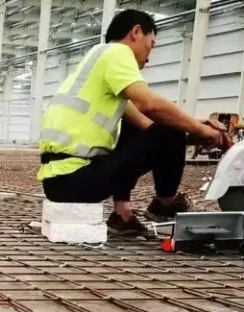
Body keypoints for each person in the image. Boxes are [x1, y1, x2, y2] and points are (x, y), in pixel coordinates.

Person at [37, 9, 231, 234]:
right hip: (76, 179)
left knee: (150, 126)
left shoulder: (96, 59)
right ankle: (165, 203)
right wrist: (200, 129)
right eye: (152, 44)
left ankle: (122, 215)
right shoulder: (118, 53)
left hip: (59, 182)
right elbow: (152, 107)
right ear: (136, 32)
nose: (149, 56)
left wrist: (198, 130)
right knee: (170, 126)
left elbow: (147, 127)